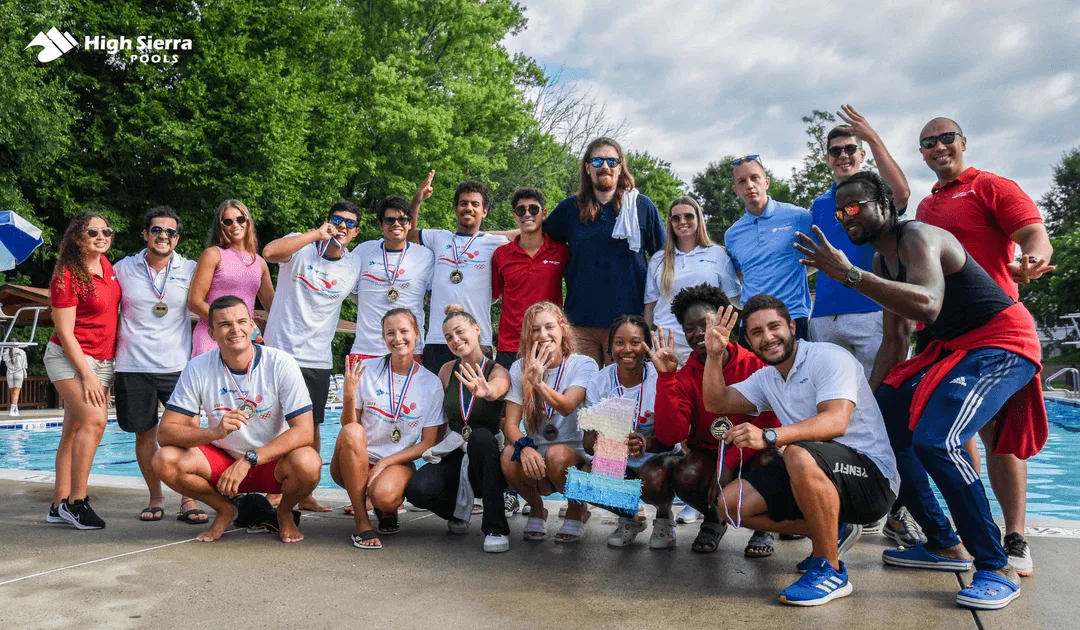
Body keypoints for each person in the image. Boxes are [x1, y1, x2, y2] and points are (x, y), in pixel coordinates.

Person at [795, 171, 1045, 610]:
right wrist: (864, 404)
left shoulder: (918, 236)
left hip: (1002, 343)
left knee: (938, 441)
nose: (846, 216)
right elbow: (896, 342)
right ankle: (944, 543)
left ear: (885, 204)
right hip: (954, 351)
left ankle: (995, 565)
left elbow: (928, 303)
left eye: (854, 206)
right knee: (885, 428)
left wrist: (849, 274)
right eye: (839, 212)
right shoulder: (881, 262)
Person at [914, 117, 1054, 576]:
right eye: (928, 142)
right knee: (956, 434)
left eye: (946, 138)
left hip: (994, 331)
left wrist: (1033, 260)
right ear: (922, 152)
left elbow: (1033, 233)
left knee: (999, 434)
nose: (938, 147)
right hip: (945, 336)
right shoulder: (926, 206)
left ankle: (1015, 537)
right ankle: (978, 530)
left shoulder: (990, 186)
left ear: (963, 142)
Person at [702, 295, 899, 606]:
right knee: (731, 505)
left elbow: (836, 421)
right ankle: (831, 531)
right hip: (814, 470)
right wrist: (714, 355)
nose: (768, 337)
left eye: (774, 327)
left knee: (795, 452)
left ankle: (829, 569)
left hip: (871, 481)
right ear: (749, 342)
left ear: (792, 327)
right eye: (756, 332)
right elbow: (717, 402)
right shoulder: (767, 377)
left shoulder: (828, 357)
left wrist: (769, 436)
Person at [808, 108, 914, 542]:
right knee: (834, 410)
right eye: (836, 150)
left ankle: (897, 507)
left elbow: (902, 192)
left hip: (873, 310)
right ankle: (849, 499)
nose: (844, 155)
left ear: (861, 153)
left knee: (883, 405)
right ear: (827, 158)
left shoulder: (876, 197)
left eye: (851, 148)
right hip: (824, 318)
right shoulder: (819, 206)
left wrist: (872, 136)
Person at [152, 296, 321, 544]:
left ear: (252, 325)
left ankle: (284, 513)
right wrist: (214, 433)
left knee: (309, 463)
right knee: (164, 460)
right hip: (222, 462)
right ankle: (224, 510)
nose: (235, 329)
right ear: (211, 333)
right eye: (224, 324)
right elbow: (166, 433)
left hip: (271, 462)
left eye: (241, 321)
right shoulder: (198, 367)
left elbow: (304, 431)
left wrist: (250, 459)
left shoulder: (280, 363)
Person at [650, 284, 781, 556]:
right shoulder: (685, 375)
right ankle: (713, 518)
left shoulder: (754, 364)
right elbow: (671, 435)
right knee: (687, 473)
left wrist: (728, 466)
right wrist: (666, 378)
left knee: (772, 460)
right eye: (690, 328)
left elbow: (770, 426)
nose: (699, 334)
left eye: (706, 324)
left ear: (726, 323)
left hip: (752, 451)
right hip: (710, 456)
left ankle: (763, 526)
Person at [262, 201, 364, 512]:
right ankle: (272, 489)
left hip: (317, 358)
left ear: (356, 232)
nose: (342, 226)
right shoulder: (301, 246)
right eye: (337, 219)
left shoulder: (354, 265)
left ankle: (305, 493)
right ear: (327, 221)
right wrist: (315, 235)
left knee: (313, 426)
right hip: (278, 351)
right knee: (272, 422)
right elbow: (269, 252)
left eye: (349, 223)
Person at [113, 207, 204, 524]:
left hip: (178, 365)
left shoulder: (190, 269)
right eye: (156, 230)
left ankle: (189, 498)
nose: (163, 236)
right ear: (145, 234)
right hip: (133, 365)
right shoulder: (123, 268)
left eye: (170, 232)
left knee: (186, 434)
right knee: (144, 436)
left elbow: (215, 297)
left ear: (177, 238)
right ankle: (155, 497)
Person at [544, 137, 665, 366]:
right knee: (582, 386)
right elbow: (533, 236)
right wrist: (490, 237)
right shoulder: (571, 208)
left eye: (611, 161)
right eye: (598, 161)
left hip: (628, 324)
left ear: (620, 167)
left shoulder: (640, 206)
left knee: (623, 388)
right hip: (581, 323)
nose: (605, 166)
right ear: (587, 167)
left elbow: (665, 258)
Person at [331, 309, 446, 549]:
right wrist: (349, 397)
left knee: (385, 497)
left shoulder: (431, 383)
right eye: (390, 333)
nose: (398, 338)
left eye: (404, 331)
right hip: (355, 460)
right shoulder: (365, 370)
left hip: (396, 462)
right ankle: (362, 521)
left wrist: (385, 463)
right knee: (353, 432)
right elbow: (348, 427)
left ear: (417, 333)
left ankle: (386, 508)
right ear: (383, 337)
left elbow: (428, 443)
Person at [405, 305, 513, 552]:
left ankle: (496, 528)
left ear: (477, 329)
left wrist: (487, 391)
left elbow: (498, 388)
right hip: (455, 449)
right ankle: (457, 513)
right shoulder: (447, 370)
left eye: (460, 331)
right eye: (448, 337)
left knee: (481, 437)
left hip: (488, 456)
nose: (455, 339)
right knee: (417, 489)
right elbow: (440, 417)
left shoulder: (497, 371)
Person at [44, 212, 121, 530]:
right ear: (77, 238)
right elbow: (65, 332)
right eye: (93, 232)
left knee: (73, 431)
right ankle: (77, 503)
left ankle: (57, 505)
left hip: (103, 361)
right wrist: (87, 375)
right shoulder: (66, 275)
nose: (101, 236)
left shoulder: (108, 267)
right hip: (69, 358)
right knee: (95, 420)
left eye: (106, 231)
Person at [501, 302, 599, 542]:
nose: (543, 335)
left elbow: (566, 406)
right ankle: (536, 508)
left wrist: (538, 384)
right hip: (538, 455)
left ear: (562, 329)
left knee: (556, 454)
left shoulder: (583, 364)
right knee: (508, 454)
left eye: (549, 327)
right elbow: (510, 424)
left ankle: (577, 510)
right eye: (535, 330)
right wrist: (524, 447)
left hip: (574, 455)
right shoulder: (519, 367)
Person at [582, 315, 679, 549]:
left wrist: (646, 443)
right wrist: (603, 437)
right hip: (619, 457)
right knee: (587, 479)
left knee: (653, 479)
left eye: (635, 342)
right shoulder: (599, 382)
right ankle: (629, 518)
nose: (627, 349)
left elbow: (675, 437)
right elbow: (587, 445)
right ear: (610, 347)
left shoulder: (659, 376)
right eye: (619, 342)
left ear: (647, 346)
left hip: (660, 456)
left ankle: (664, 516)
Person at [407, 174, 509, 371]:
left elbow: (525, 235)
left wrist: (488, 234)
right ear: (455, 209)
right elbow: (409, 234)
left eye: (475, 204)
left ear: (484, 211)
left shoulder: (495, 242)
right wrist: (417, 200)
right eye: (463, 203)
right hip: (439, 338)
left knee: (476, 392)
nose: (468, 208)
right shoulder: (439, 237)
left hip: (477, 340)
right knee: (437, 392)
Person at [723, 156, 813, 339]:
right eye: (742, 181)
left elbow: (820, 257)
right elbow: (740, 275)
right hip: (751, 322)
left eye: (754, 178)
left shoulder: (799, 216)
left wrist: (794, 273)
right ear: (736, 190)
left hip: (792, 316)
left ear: (767, 182)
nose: (749, 185)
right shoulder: (731, 235)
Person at [645, 196, 741, 364]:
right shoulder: (658, 259)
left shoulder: (718, 254)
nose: (682, 222)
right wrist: (647, 339)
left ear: (699, 218)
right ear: (670, 222)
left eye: (688, 216)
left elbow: (733, 301)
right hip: (666, 343)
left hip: (705, 342)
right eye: (676, 218)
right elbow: (650, 305)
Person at [348, 196, 435, 361]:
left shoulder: (425, 255)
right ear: (381, 224)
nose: (396, 224)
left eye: (402, 219)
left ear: (410, 223)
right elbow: (348, 289)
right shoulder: (363, 251)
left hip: (409, 349)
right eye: (389, 220)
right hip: (366, 348)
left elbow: (438, 293)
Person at [491, 187, 569, 370]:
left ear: (544, 213)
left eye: (533, 209)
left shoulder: (561, 251)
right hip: (511, 345)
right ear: (515, 216)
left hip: (549, 342)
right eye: (521, 210)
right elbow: (494, 295)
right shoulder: (501, 254)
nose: (527, 214)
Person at [189, 199, 274, 357]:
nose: (235, 225)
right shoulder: (213, 255)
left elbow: (274, 308)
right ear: (220, 226)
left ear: (248, 221)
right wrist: (229, 322)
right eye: (228, 221)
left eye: (240, 219)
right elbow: (194, 302)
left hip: (242, 340)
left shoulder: (260, 263)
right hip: (212, 337)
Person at [3, 347, 28, 416]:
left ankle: (15, 409)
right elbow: (24, 365)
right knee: (16, 392)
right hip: (19, 372)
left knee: (12, 392)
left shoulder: (5, 352)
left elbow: (5, 362)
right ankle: (12, 410)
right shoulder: (22, 352)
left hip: (9, 373)